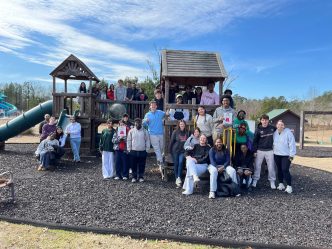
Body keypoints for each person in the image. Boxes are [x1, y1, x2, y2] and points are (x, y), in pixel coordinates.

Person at [182, 134, 217, 199]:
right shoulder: (195, 146)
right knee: (190, 162)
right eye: (201, 138)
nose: (202, 139)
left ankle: (189, 190)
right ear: (199, 139)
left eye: (204, 138)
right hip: (194, 164)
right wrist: (187, 156)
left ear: (206, 140)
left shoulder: (208, 148)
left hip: (203, 165)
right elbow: (187, 152)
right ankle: (195, 176)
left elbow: (206, 158)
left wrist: (196, 161)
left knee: (190, 166)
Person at [252, 114, 277, 189]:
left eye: (266, 120)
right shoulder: (258, 129)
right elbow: (255, 141)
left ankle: (272, 181)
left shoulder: (272, 128)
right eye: (263, 120)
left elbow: (280, 131)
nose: (265, 121)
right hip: (260, 150)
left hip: (270, 150)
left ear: (268, 120)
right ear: (261, 121)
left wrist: (287, 130)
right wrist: (255, 151)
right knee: (257, 166)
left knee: (271, 166)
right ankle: (255, 180)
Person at [143, 101, 168, 169]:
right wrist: (146, 121)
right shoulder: (147, 115)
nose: (153, 107)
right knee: (157, 148)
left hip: (160, 133)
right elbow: (144, 124)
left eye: (154, 106)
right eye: (152, 106)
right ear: (150, 107)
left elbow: (166, 114)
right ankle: (161, 162)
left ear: (156, 106)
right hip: (152, 134)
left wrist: (168, 113)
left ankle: (159, 159)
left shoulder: (160, 112)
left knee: (162, 148)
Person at [273, 120, 296, 194]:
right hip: (276, 154)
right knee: (279, 169)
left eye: (282, 125)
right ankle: (281, 184)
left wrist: (292, 155)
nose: (280, 126)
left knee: (285, 169)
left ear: (284, 126)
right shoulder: (275, 132)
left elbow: (292, 144)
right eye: (279, 124)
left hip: (286, 155)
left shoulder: (288, 133)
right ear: (276, 125)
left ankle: (289, 186)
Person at [127, 118, 150, 182]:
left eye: (139, 123)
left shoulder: (145, 131)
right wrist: (129, 149)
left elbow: (147, 140)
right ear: (135, 123)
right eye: (136, 123)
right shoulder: (131, 131)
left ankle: (141, 177)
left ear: (141, 123)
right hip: (133, 151)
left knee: (142, 165)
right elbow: (129, 140)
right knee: (133, 165)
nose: (137, 124)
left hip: (142, 151)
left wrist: (147, 149)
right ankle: (134, 177)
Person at [169, 120, 190, 187]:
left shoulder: (187, 132)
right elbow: (172, 141)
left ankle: (179, 177)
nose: (182, 125)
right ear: (179, 125)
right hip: (175, 150)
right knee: (176, 163)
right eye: (181, 124)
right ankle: (176, 178)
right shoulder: (175, 132)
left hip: (183, 151)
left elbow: (190, 141)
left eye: (183, 124)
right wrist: (169, 150)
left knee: (181, 162)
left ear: (185, 125)